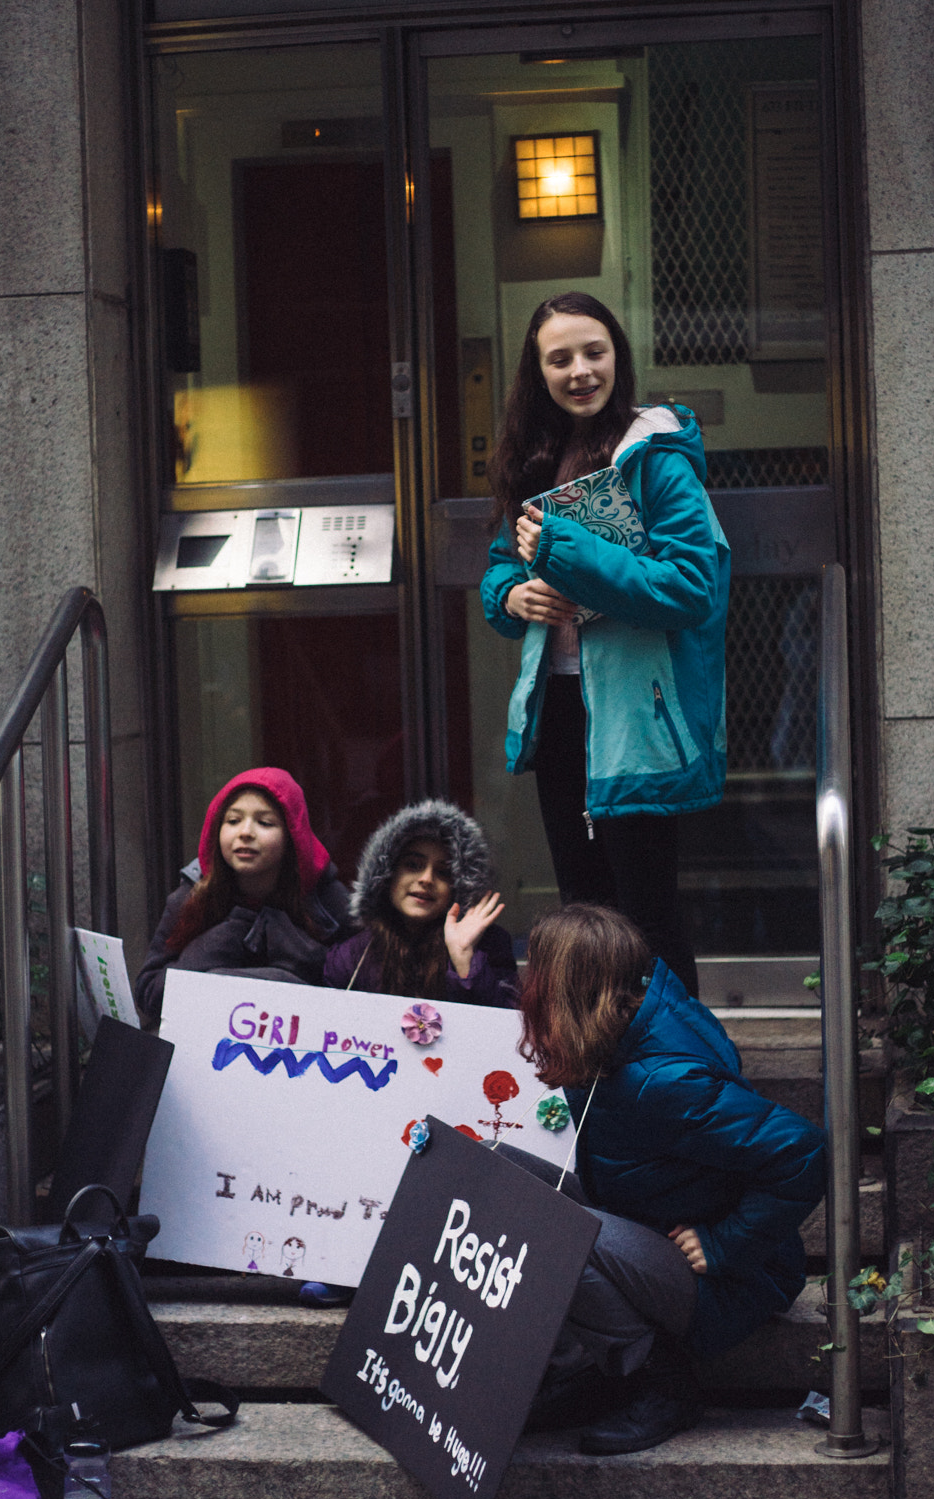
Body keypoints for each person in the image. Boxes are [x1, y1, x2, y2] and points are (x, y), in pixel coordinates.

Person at [504, 904, 825, 1456]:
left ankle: (661, 1383)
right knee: (494, 1171)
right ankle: (590, 1374)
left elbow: (804, 1152)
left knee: (558, 1231)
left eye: (538, 972)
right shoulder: (614, 1032)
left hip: (732, 1283)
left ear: (569, 988)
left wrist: (725, 1243)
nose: (528, 984)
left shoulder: (661, 1081)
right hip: (648, 1230)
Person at [480, 292, 729, 996]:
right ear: (539, 371)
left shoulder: (655, 456)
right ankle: (605, 1078)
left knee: (647, 920)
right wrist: (511, 595)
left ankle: (683, 1076)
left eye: (595, 352)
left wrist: (563, 550)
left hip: (637, 719)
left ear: (619, 355)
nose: (581, 370)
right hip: (559, 709)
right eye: (560, 359)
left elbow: (690, 587)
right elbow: (502, 565)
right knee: (584, 914)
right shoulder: (537, 457)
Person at [135, 767, 350, 1024]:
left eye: (265, 823)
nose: (245, 832)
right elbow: (149, 996)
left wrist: (304, 960)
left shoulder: (326, 900)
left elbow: (363, 992)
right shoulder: (191, 897)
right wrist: (208, 950)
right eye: (233, 821)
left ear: (293, 836)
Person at [324, 800, 518, 1008]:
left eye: (443, 872)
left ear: (458, 887)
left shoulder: (488, 946)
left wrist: (464, 961)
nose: (426, 879)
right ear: (387, 874)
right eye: (413, 865)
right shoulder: (351, 956)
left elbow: (507, 1027)